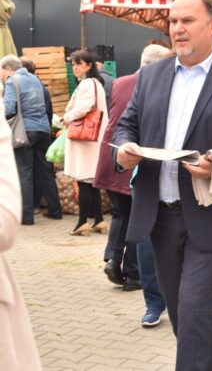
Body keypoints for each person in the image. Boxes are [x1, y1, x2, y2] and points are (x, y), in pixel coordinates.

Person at [112, 0, 212, 368]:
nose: (177, 29)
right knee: (185, 320)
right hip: (160, 219)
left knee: (197, 313)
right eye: (172, 21)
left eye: (187, 20)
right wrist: (123, 151)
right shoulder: (151, 76)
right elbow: (125, 127)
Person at [94, 44, 172, 294]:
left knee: (120, 213)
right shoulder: (155, 85)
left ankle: (112, 258)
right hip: (134, 158)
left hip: (113, 153)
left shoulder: (120, 82)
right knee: (139, 216)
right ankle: (132, 273)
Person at [0, 99, 43, 371]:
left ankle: (29, 213)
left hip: (24, 133)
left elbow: (4, 220)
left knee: (27, 173)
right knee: (31, 173)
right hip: (35, 132)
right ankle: (32, 213)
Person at [2, 54, 62, 225]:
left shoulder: (12, 81)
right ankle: (55, 210)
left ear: (8, 68)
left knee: (25, 173)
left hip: (25, 131)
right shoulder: (35, 79)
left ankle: (26, 216)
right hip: (43, 129)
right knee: (45, 172)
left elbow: (7, 109)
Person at [61, 50, 109, 236]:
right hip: (92, 138)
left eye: (78, 63)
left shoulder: (88, 83)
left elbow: (84, 107)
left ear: (89, 65)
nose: (75, 67)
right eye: (73, 64)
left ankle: (82, 222)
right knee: (90, 182)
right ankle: (98, 221)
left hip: (86, 139)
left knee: (83, 180)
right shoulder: (95, 83)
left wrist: (66, 118)